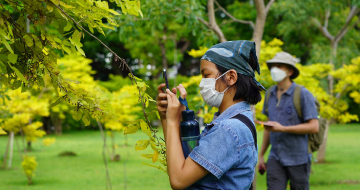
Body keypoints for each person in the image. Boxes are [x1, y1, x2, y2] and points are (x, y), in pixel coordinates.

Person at [156, 40, 265, 190]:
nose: (202, 83)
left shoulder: (228, 129)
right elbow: (182, 163)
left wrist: (173, 121)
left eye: (206, 75)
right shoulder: (241, 119)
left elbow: (178, 180)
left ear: (231, 77)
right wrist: (166, 118)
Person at [258, 52, 319, 190]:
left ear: (290, 71)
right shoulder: (269, 94)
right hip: (275, 157)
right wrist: (261, 155)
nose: (274, 69)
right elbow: (269, 128)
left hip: (298, 158)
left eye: (279, 66)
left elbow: (314, 127)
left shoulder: (303, 94)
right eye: (273, 66)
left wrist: (283, 129)